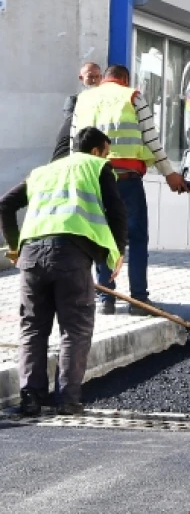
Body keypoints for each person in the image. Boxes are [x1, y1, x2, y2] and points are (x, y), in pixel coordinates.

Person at [0, 127, 128, 416]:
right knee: (75, 327)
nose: (107, 157)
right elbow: (117, 211)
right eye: (106, 151)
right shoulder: (97, 167)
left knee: (33, 327)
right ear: (96, 151)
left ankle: (30, 398)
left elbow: (5, 204)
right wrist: (117, 252)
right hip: (71, 255)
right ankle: (67, 400)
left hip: (32, 255)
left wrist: (14, 248)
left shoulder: (43, 172)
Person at [70, 64, 189, 315]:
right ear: (124, 79)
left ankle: (106, 299)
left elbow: (74, 142)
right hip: (126, 180)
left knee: (100, 236)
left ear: (104, 79)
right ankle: (138, 300)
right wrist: (169, 174)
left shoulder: (84, 99)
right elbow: (151, 140)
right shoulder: (132, 96)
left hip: (93, 180)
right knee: (135, 238)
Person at [51, 62, 102, 162]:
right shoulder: (73, 100)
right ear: (81, 78)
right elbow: (71, 121)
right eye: (90, 77)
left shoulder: (104, 100)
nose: (94, 80)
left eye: (97, 77)